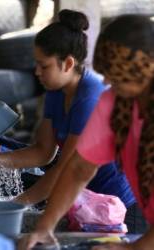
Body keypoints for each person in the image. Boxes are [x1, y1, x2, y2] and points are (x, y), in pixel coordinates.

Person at [0, 9, 140, 232]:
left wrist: (15, 205)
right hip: (83, 202)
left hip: (118, 208)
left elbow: (66, 170)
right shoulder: (55, 92)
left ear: (67, 63)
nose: (37, 72)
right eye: (36, 64)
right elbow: (42, 151)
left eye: (44, 65)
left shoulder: (90, 98)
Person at [16, 14, 154, 250]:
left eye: (118, 76)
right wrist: (44, 227)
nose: (109, 83)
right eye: (107, 74)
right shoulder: (113, 102)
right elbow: (79, 168)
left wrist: (135, 247)